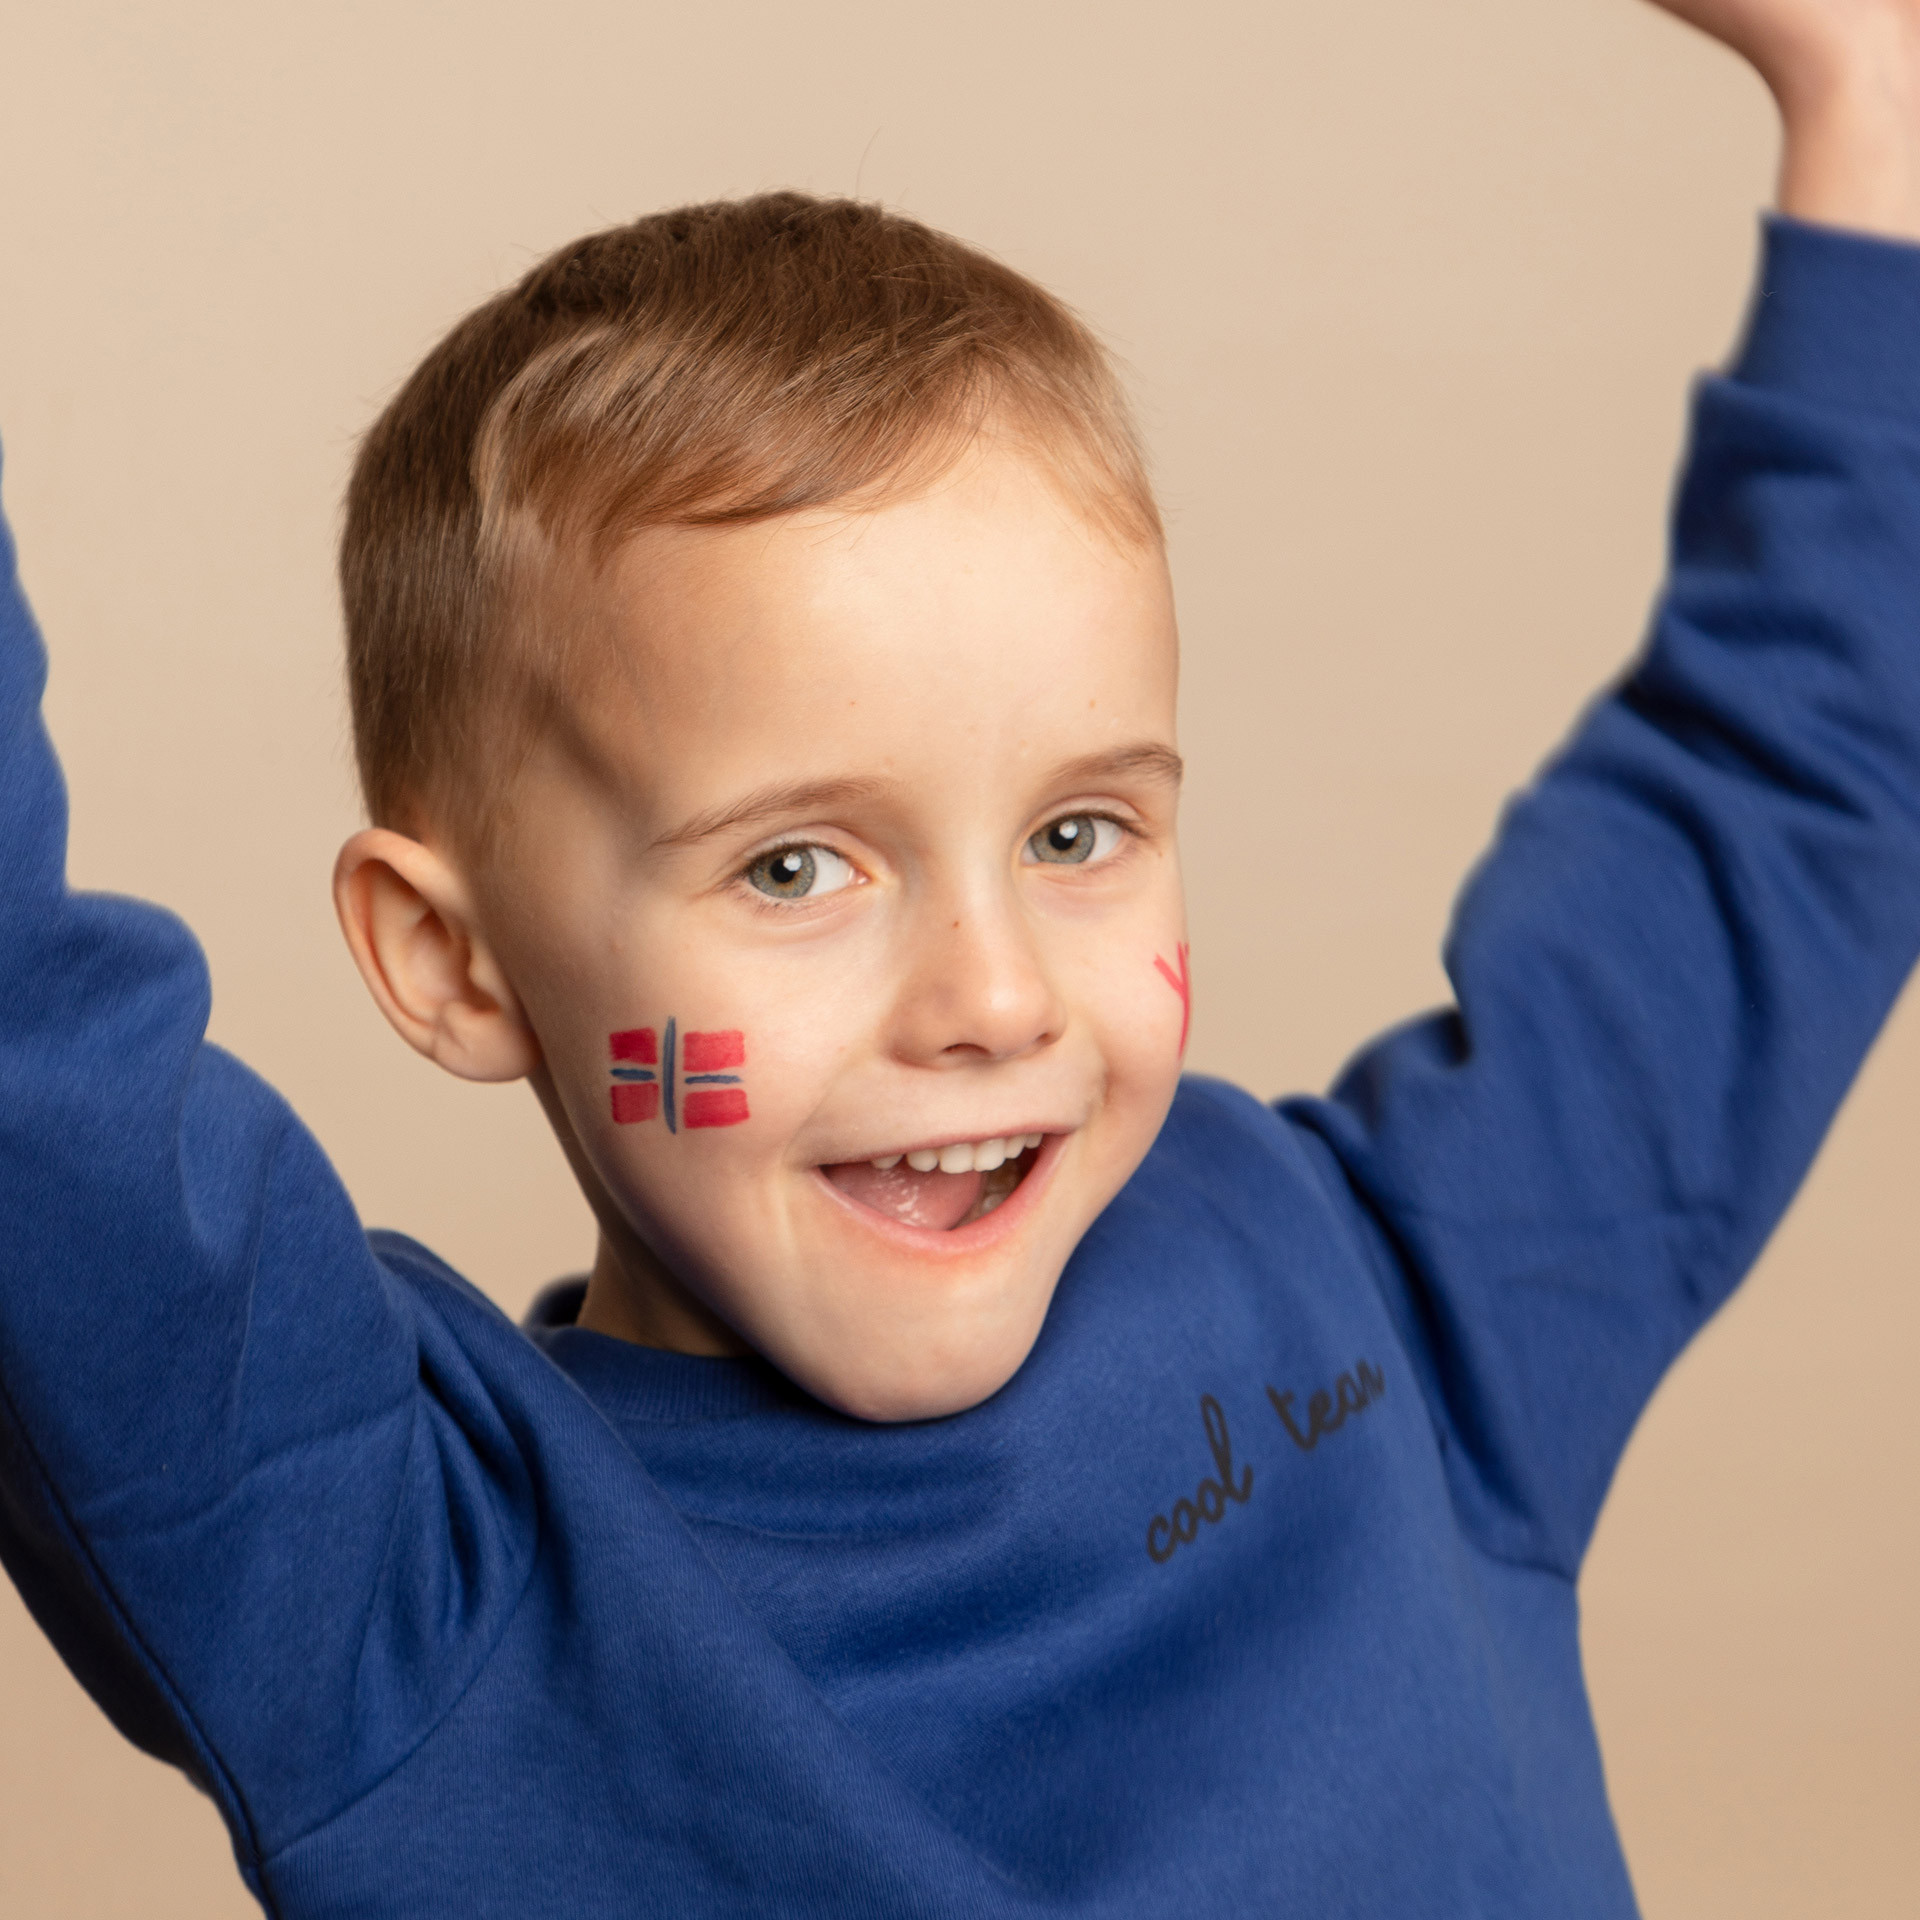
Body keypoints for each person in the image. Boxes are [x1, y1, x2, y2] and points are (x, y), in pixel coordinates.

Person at [3, 0, 1918, 1911]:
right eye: (798, 869)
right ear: (455, 961)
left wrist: (1868, 84)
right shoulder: (403, 1593)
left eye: (1080, 835)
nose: (995, 1004)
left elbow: (1788, 779)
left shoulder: (1387, 1297)